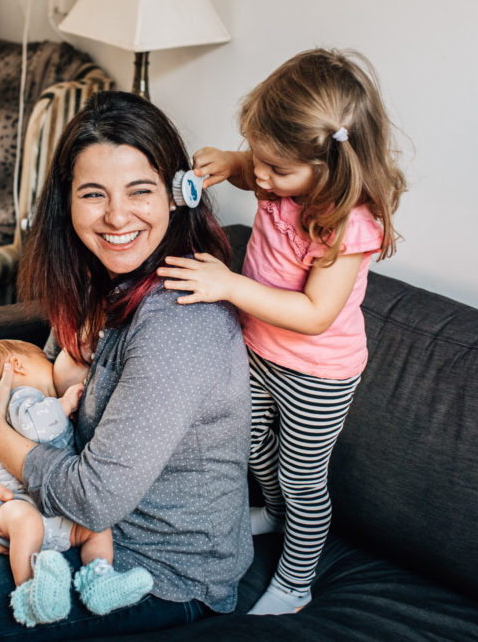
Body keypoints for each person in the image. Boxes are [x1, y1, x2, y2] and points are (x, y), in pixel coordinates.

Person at [0, 90, 253, 640]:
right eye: (94, 194)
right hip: (62, 499)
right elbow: (30, 384)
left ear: (176, 197)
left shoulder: (182, 320)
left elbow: (94, 497)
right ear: (67, 201)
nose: (116, 216)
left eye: (140, 191)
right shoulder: (100, 276)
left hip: (156, 564)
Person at [158, 48, 407, 616]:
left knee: (301, 476)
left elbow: (316, 314)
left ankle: (296, 583)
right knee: (246, 442)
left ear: (329, 169)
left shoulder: (350, 224)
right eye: (258, 159)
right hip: (258, 348)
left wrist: (228, 286)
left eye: (275, 169)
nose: (260, 178)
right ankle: (271, 512)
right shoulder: (278, 177)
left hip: (319, 371)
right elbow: (253, 166)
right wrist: (227, 160)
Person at [0, 339, 153, 626]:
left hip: (54, 507)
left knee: (95, 527)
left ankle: (98, 579)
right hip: (16, 502)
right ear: (18, 365)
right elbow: (35, 428)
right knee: (26, 522)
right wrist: (64, 403)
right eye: (44, 358)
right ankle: (30, 591)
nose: (52, 364)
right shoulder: (20, 398)